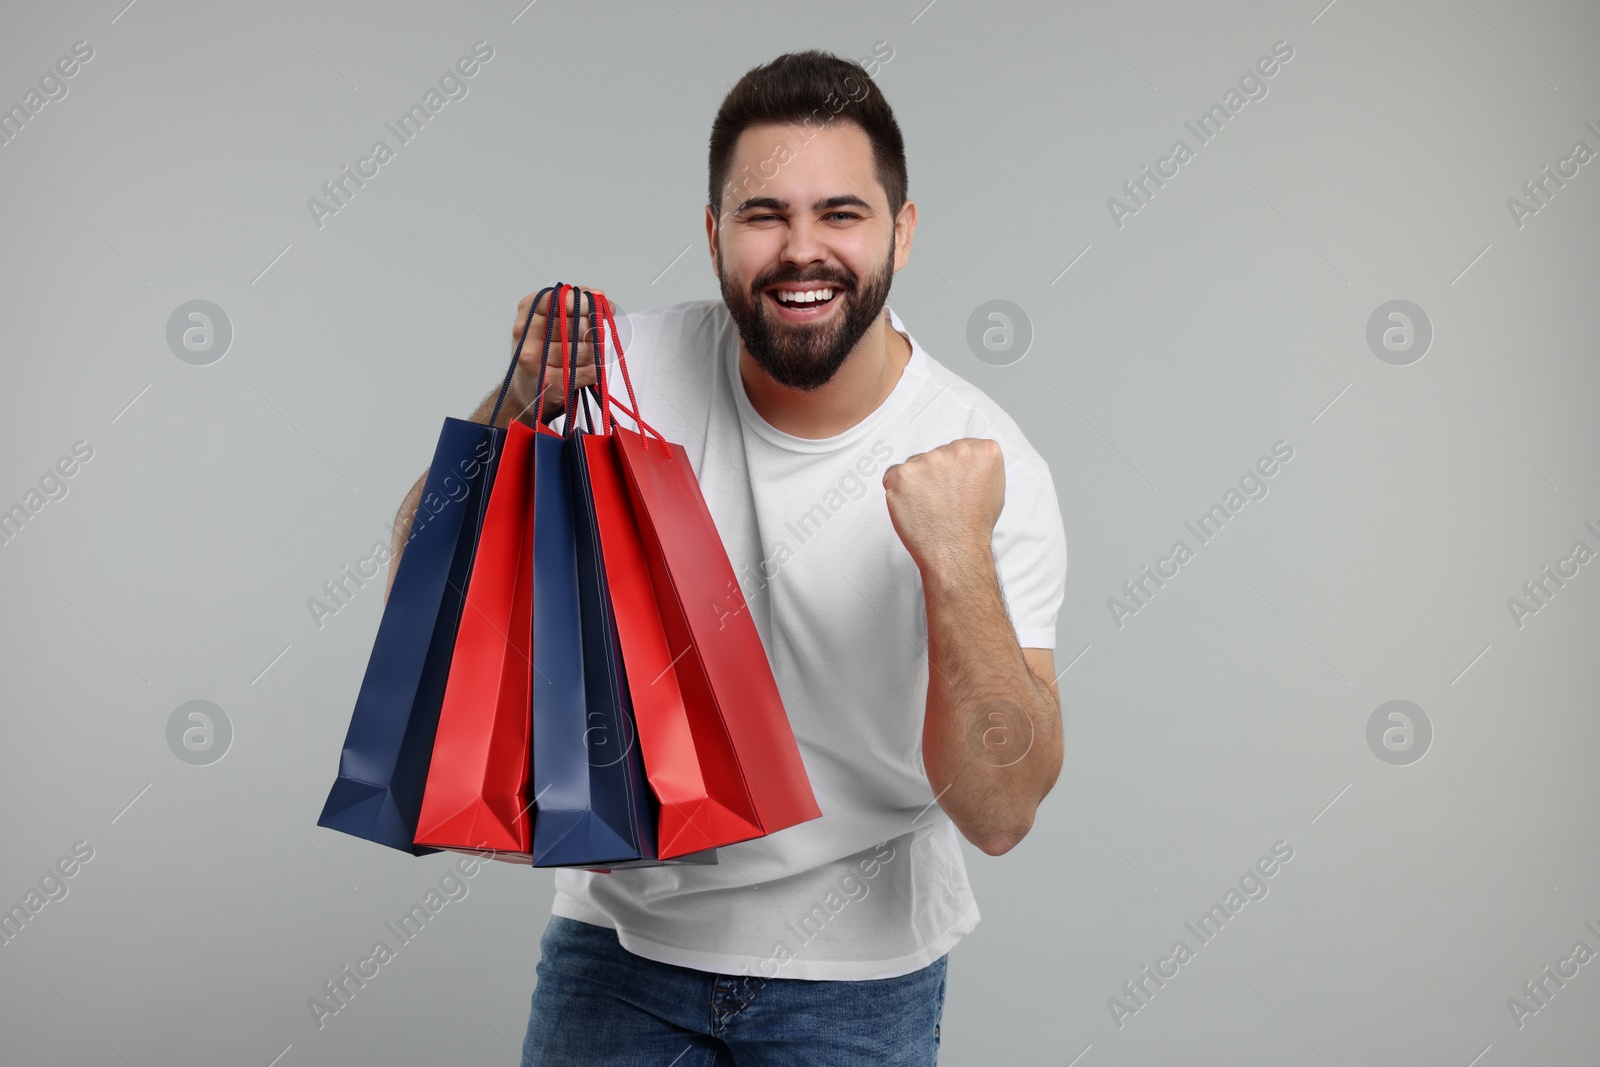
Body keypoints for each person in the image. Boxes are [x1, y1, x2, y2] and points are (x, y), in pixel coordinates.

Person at [386, 48, 1067, 1067]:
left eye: (841, 213)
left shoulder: (980, 458)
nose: (802, 250)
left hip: (857, 977)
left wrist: (955, 555)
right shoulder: (625, 368)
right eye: (763, 215)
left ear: (902, 232)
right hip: (617, 944)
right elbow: (418, 580)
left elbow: (1002, 810)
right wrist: (518, 400)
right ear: (713, 237)